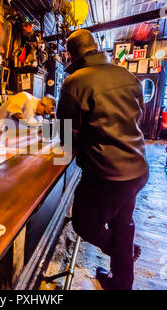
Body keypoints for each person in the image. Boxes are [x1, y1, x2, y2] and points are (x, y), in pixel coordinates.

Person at [56, 29, 149, 290]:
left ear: (71, 55)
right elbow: (133, 120)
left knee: (84, 224)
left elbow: (64, 137)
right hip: (137, 167)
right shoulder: (126, 75)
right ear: (96, 49)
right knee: (123, 222)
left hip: (106, 174)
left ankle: (124, 252)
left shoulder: (74, 82)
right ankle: (121, 282)